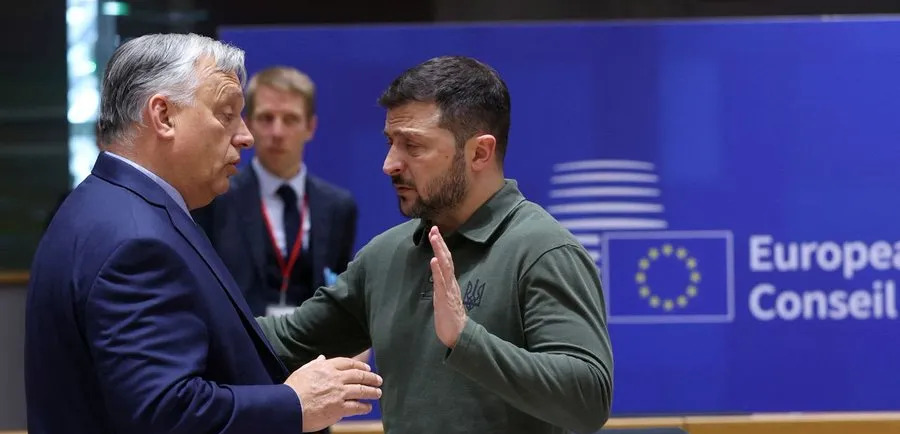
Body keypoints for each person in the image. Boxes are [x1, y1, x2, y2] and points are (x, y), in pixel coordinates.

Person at [25, 33, 381, 434]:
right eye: (226, 114)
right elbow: (166, 413)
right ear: (163, 116)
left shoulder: (104, 205)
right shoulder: (137, 241)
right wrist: (293, 403)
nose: (245, 136)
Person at [257, 55, 614, 434]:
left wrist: (465, 339)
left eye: (412, 145)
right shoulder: (385, 255)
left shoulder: (543, 251)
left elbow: (589, 399)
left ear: (479, 152)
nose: (389, 164)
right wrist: (208, 314)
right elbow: (279, 343)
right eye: (391, 142)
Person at [193, 66, 358, 321]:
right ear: (248, 124)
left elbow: (338, 294)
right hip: (238, 340)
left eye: (290, 119)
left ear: (310, 127)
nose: (277, 132)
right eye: (266, 118)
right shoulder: (216, 197)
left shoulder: (338, 206)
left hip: (312, 340)